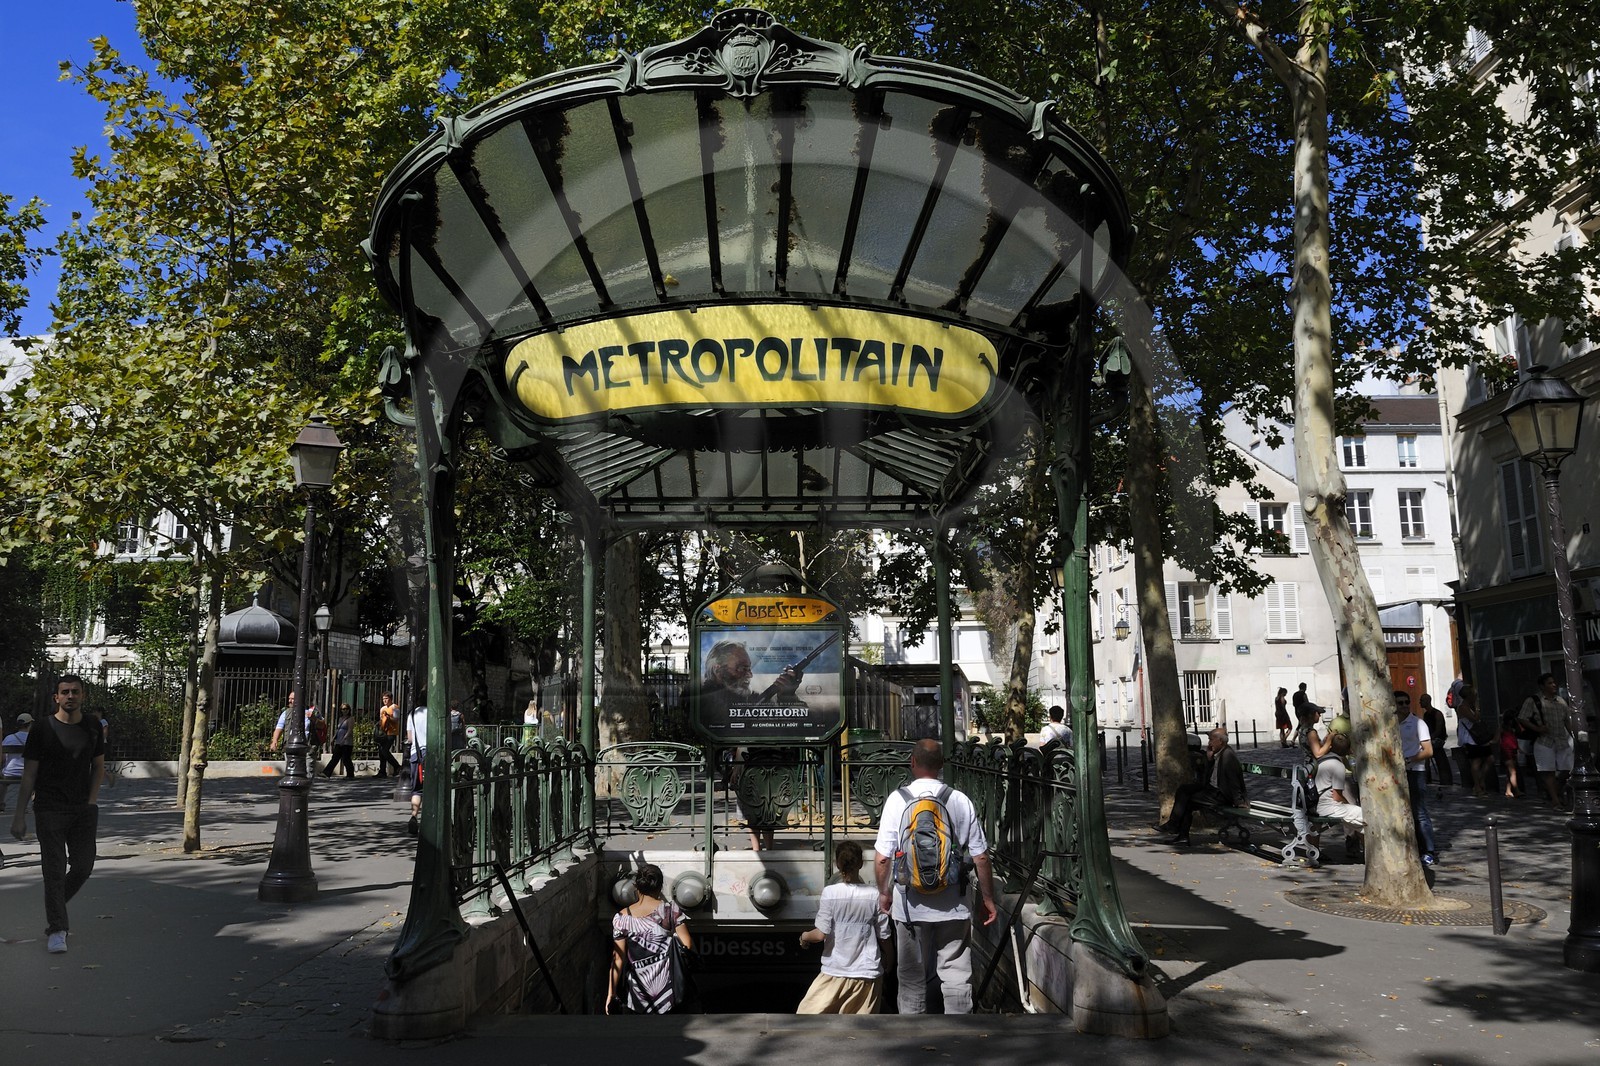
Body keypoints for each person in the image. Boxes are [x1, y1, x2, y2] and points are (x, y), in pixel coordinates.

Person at [874, 739, 997, 1015]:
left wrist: (884, 893)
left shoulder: (897, 800)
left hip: (909, 906)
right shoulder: (959, 800)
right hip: (954, 904)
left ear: (912, 763)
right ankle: (958, 1036)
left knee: (911, 978)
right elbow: (981, 857)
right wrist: (987, 898)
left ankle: (914, 1040)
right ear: (942, 765)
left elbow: (882, 858)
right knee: (955, 972)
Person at [9, 675, 105, 954]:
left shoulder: (92, 726)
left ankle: (55, 907)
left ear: (82, 696)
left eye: (75, 692)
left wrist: (91, 801)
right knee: (54, 871)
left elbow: (98, 766)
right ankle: (58, 928)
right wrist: (19, 815)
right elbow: (29, 773)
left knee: (83, 867)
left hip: (83, 810)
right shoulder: (42, 728)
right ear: (57, 698)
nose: (70, 696)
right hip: (49, 808)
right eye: (65, 692)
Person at [797, 840, 891, 1014]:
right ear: (861, 864)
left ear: (837, 864)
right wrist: (889, 962)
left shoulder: (830, 893)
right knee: (859, 1028)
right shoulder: (873, 894)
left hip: (835, 972)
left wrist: (804, 937)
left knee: (807, 1015)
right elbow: (884, 936)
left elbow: (819, 935)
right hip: (867, 974)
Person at [607, 862, 692, 1014]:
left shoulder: (621, 918)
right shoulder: (671, 910)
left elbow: (617, 959)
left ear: (636, 886)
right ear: (660, 887)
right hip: (668, 994)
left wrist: (611, 994)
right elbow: (688, 946)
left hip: (636, 995)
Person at [1157, 727, 1247, 846]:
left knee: (1186, 799)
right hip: (1211, 789)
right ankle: (1179, 833)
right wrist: (1209, 760)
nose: (1209, 743)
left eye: (1211, 740)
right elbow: (1207, 777)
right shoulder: (1219, 753)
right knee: (1183, 790)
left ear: (1220, 741)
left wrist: (1239, 801)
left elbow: (1234, 781)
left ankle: (1174, 826)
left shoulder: (1228, 756)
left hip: (1221, 795)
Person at [1519, 672, 1576, 809]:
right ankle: (1556, 800)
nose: (1554, 685)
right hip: (1544, 741)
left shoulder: (1560, 701)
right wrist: (1537, 728)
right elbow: (1522, 718)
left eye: (1554, 682)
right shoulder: (1534, 700)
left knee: (1567, 770)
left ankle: (1554, 791)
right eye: (1550, 683)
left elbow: (1567, 720)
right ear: (1542, 686)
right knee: (1548, 771)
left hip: (1562, 741)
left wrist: (1574, 735)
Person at [1400, 690, 1438, 866]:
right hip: (1396, 774)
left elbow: (1428, 750)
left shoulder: (1418, 723)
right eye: (1400, 703)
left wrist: (1409, 760)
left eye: (1406, 702)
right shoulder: (1389, 724)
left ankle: (1428, 850)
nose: (1404, 705)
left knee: (1419, 812)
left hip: (1415, 771)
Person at [1313, 733, 1363, 859]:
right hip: (1327, 807)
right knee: (1364, 817)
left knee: (1356, 817)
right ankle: (1370, 852)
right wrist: (1349, 804)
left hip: (1315, 804)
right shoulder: (1338, 766)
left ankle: (1364, 850)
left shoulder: (1321, 760)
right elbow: (1337, 796)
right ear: (1348, 750)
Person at [1453, 685, 1494, 798]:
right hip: (1470, 737)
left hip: (1478, 735)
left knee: (1489, 758)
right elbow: (1475, 719)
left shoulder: (1469, 705)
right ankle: (1477, 786)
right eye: (1474, 695)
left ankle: (1480, 779)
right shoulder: (1463, 707)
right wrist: (1477, 708)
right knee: (1476, 761)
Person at [404, 703, 428, 835]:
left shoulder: (412, 714)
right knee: (433, 788)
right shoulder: (435, 713)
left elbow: (410, 738)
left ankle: (414, 816)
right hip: (431, 754)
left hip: (416, 755)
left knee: (417, 790)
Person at [1, 712, 32, 813]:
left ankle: (1, 803)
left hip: (9, 773)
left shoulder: (9, 738)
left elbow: (3, 758)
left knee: (3, 778)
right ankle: (29, 804)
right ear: (30, 724)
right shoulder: (33, 738)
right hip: (27, 774)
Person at [1421, 693, 1452, 793]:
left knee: (1435, 755)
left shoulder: (1437, 714)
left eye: (1422, 700)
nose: (1419, 702)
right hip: (1431, 739)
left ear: (1427, 701)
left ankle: (1445, 779)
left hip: (1437, 740)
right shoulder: (1426, 715)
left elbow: (1438, 731)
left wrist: (1429, 739)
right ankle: (1426, 778)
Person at [322, 704, 356, 778]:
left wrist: (344, 738)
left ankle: (350, 774)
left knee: (346, 759)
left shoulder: (350, 719)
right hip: (339, 741)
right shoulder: (340, 719)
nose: (345, 711)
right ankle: (327, 773)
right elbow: (338, 730)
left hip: (346, 742)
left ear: (349, 710)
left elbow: (350, 730)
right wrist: (333, 738)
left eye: (346, 709)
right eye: (343, 709)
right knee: (335, 758)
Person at [374, 692, 401, 778]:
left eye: (386, 698)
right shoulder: (382, 709)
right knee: (381, 751)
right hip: (383, 732)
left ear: (391, 699)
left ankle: (397, 766)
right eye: (383, 699)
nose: (384, 700)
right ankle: (382, 771)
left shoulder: (395, 707)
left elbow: (396, 719)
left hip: (391, 732)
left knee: (384, 750)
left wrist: (389, 718)